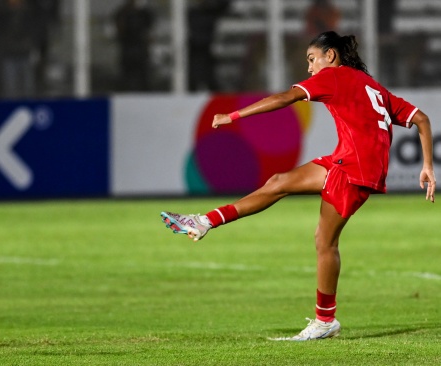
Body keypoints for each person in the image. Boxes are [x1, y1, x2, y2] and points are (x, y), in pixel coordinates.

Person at [160, 31, 436, 341]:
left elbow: (284, 99)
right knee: (279, 183)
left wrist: (234, 115)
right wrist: (427, 165)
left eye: (311, 59)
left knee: (325, 242)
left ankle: (325, 321)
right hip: (346, 162)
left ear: (330, 56)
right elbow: (422, 119)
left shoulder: (334, 77)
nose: (309, 68)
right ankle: (204, 220)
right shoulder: (371, 85)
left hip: (354, 170)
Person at [113, 0, 154, 92]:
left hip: (141, 50)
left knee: (143, 77)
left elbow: (149, 31)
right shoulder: (122, 13)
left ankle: (145, 94)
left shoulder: (144, 13)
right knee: (127, 77)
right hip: (127, 50)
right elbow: (120, 30)